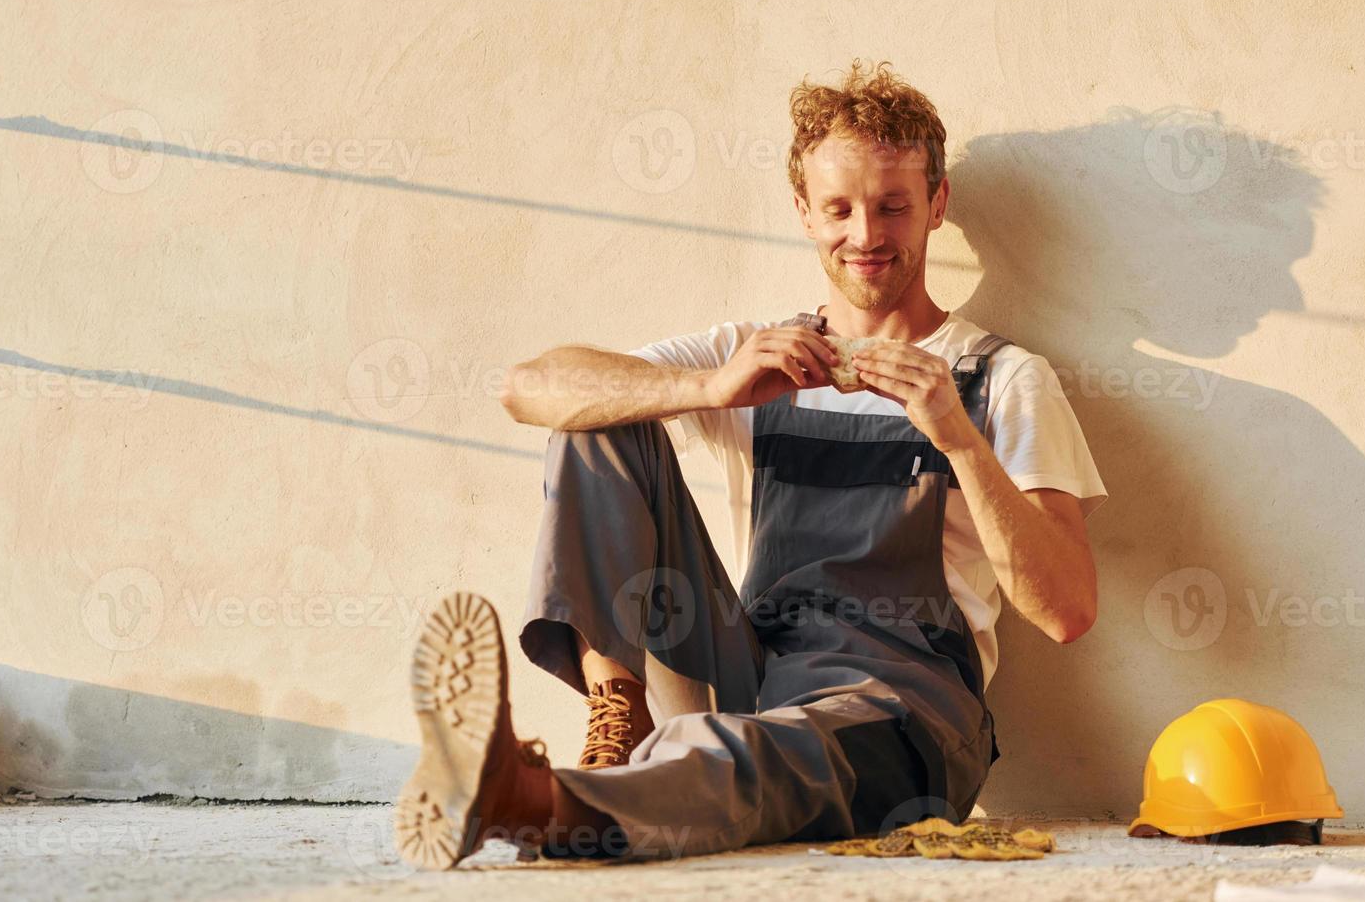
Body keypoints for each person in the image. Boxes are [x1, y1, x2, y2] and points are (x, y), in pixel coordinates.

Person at [393, 60, 1108, 868]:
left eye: (894, 206)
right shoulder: (759, 353)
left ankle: (528, 801)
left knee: (755, 755)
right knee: (605, 417)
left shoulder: (1002, 378)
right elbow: (528, 388)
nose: (866, 236)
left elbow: (1066, 610)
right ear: (803, 212)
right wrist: (710, 385)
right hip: (750, 666)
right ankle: (615, 713)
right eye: (838, 208)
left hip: (904, 713)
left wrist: (959, 440)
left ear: (937, 205)